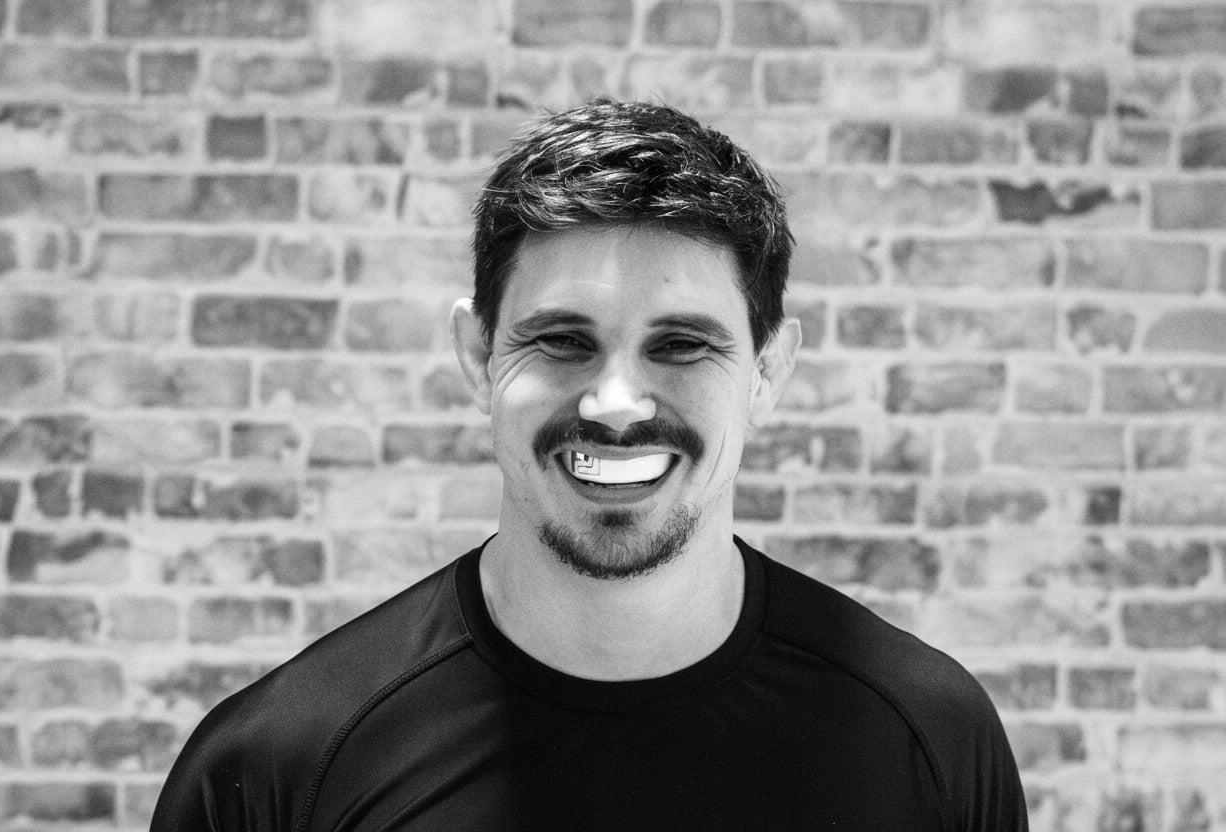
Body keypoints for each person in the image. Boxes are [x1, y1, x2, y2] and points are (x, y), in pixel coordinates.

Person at [151, 100, 1028, 831]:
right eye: (563, 341)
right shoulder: (280, 767)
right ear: (477, 355)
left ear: (767, 373)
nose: (616, 403)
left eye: (682, 345)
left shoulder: (930, 742)